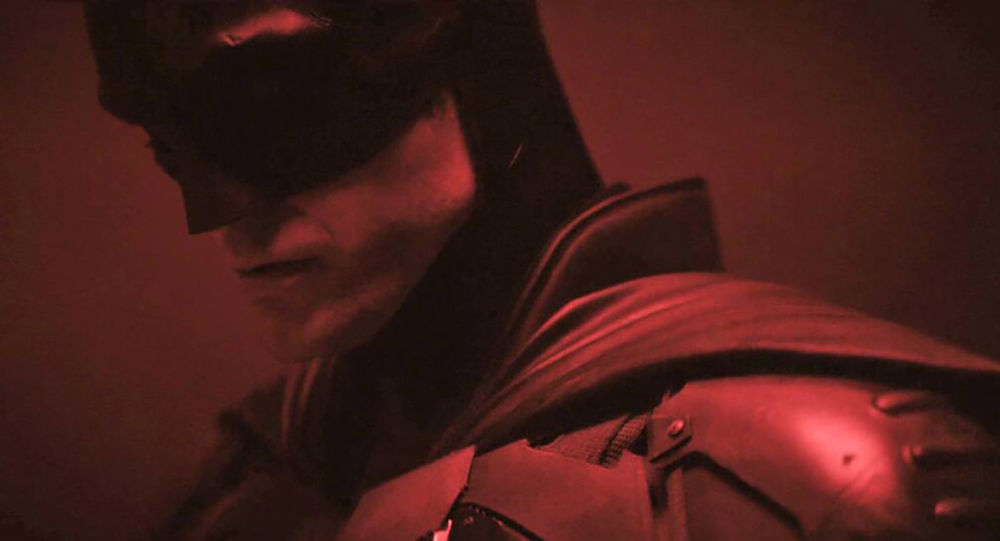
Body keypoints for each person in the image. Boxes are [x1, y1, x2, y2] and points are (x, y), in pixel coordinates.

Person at [82, 1, 1000, 539]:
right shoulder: (250, 482)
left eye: (267, 108)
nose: (219, 215)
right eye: (168, 144)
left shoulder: (817, 483)